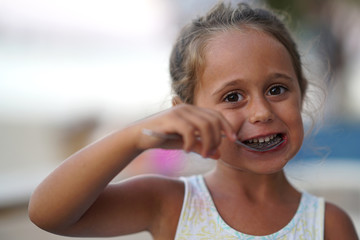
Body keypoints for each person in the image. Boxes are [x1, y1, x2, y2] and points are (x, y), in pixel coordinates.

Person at [28, 1, 358, 239]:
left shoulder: (328, 224)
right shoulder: (170, 203)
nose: (261, 112)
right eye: (232, 97)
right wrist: (135, 137)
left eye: (277, 89)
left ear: (301, 91)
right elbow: (48, 214)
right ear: (185, 111)